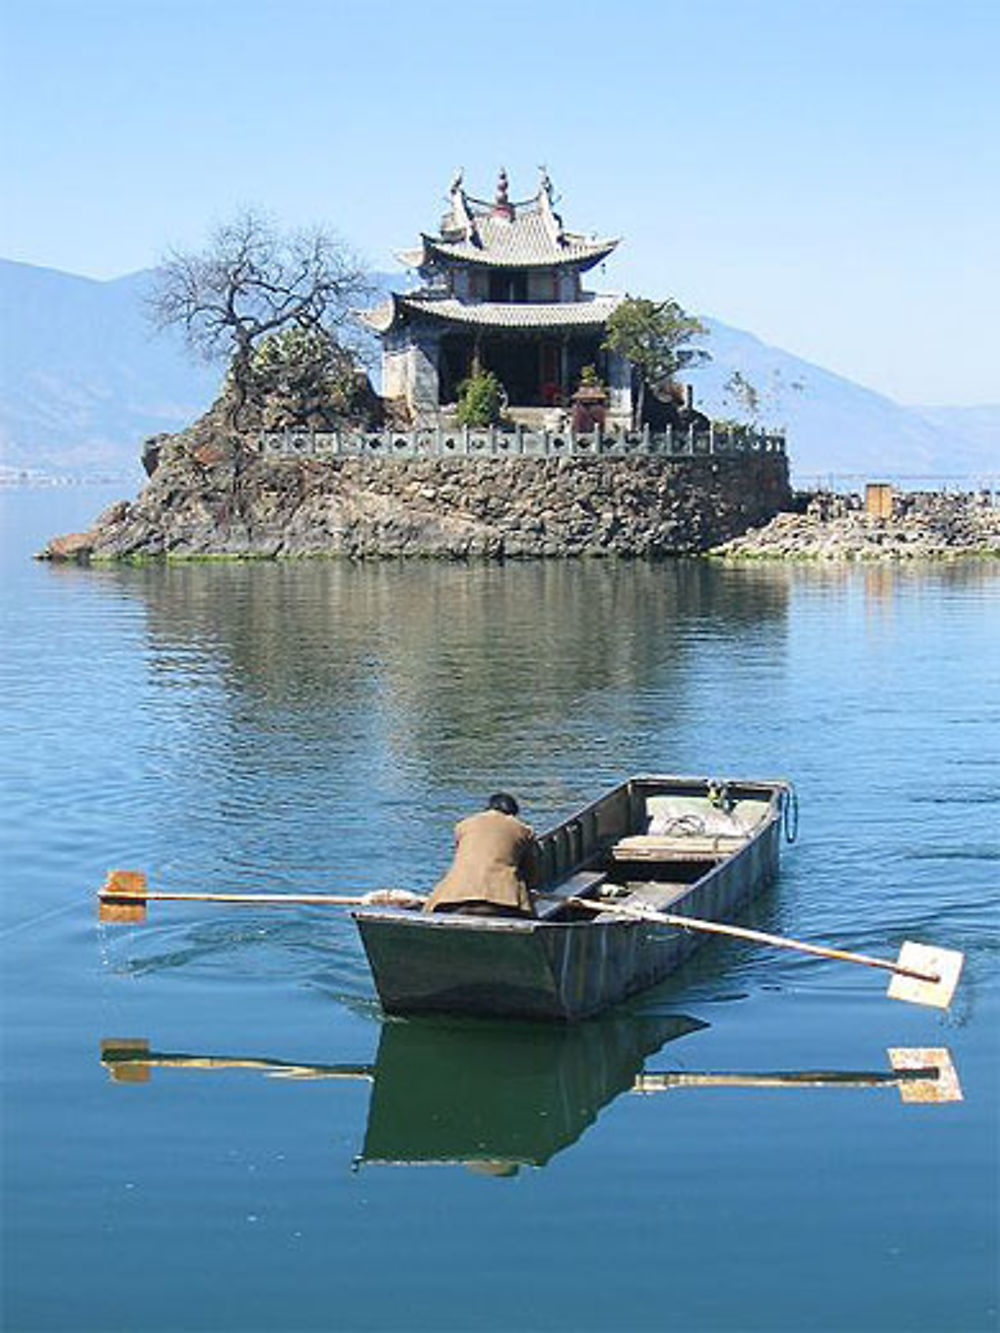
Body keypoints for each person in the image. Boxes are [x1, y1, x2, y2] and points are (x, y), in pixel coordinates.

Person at [423, 792, 537, 919]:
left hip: (451, 898)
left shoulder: (464, 825)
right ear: (513, 813)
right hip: (504, 901)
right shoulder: (524, 830)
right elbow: (530, 874)